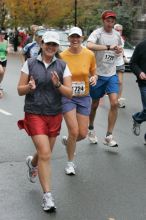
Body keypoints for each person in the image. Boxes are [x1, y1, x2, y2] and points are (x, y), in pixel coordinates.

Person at [17, 31, 72, 212]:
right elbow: (19, 90)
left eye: (54, 45)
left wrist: (58, 85)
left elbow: (69, 93)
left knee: (43, 154)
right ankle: (47, 196)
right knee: (46, 154)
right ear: (41, 44)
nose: (51, 47)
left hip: (54, 114)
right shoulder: (30, 63)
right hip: (34, 113)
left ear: (57, 47)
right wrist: (29, 87)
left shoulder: (63, 66)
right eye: (48, 44)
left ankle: (32, 163)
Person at [60, 27, 97, 175]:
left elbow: (94, 71)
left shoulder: (89, 54)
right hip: (67, 96)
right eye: (72, 37)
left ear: (82, 38)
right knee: (74, 131)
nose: (75, 39)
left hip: (84, 96)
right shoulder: (62, 56)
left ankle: (69, 142)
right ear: (68, 39)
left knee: (82, 133)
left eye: (78, 37)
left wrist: (95, 77)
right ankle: (70, 163)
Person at [87, 10, 122, 146]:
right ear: (103, 21)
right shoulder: (98, 33)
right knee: (94, 104)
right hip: (98, 74)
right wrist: (108, 47)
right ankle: (90, 128)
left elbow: (119, 49)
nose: (110, 22)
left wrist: (119, 51)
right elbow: (89, 45)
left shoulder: (117, 35)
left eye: (112, 20)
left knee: (114, 103)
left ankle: (109, 135)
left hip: (111, 74)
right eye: (108, 20)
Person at [130, 39, 146, 144]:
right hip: (144, 83)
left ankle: (137, 118)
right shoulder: (141, 46)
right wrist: (139, 72)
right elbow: (133, 63)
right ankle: (137, 118)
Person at [114, 23, 126, 108]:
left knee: (120, 82)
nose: (119, 32)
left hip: (120, 63)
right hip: (111, 64)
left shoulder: (122, 39)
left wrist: (124, 57)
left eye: (120, 30)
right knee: (109, 81)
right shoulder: (110, 39)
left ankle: (118, 100)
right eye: (117, 30)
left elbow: (122, 50)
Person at [0, 30, 8, 98]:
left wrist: (7, 51)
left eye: (4, 34)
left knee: (2, 74)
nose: (3, 36)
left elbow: (6, 50)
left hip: (4, 59)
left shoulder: (6, 41)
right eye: (1, 34)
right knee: (1, 71)